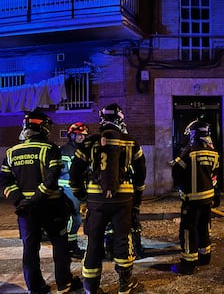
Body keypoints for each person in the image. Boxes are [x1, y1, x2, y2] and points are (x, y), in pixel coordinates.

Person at [0, 109, 82, 294]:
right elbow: (52, 179)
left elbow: (5, 181)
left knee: (29, 249)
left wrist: (21, 201)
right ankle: (64, 284)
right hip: (51, 207)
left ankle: (35, 288)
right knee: (60, 245)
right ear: (42, 128)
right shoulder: (49, 148)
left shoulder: (12, 152)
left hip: (25, 211)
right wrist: (36, 199)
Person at [70, 103, 146, 294]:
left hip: (96, 200)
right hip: (123, 200)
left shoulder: (89, 142)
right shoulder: (131, 142)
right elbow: (141, 173)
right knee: (122, 239)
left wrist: (82, 196)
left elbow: (75, 172)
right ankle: (125, 285)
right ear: (121, 120)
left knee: (93, 241)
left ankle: (91, 289)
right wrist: (136, 199)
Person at [170, 120, 220, 275]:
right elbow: (214, 177)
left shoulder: (189, 152)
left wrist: (181, 188)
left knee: (188, 230)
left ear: (194, 134)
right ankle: (205, 257)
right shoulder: (213, 153)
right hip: (207, 199)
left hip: (191, 200)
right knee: (203, 227)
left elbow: (177, 171)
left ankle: (187, 264)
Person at [59, 122, 89, 259]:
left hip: (75, 188)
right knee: (74, 218)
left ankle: (69, 246)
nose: (81, 138)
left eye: (83, 135)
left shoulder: (81, 150)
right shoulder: (67, 150)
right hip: (68, 189)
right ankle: (70, 247)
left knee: (75, 217)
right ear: (71, 135)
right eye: (78, 135)